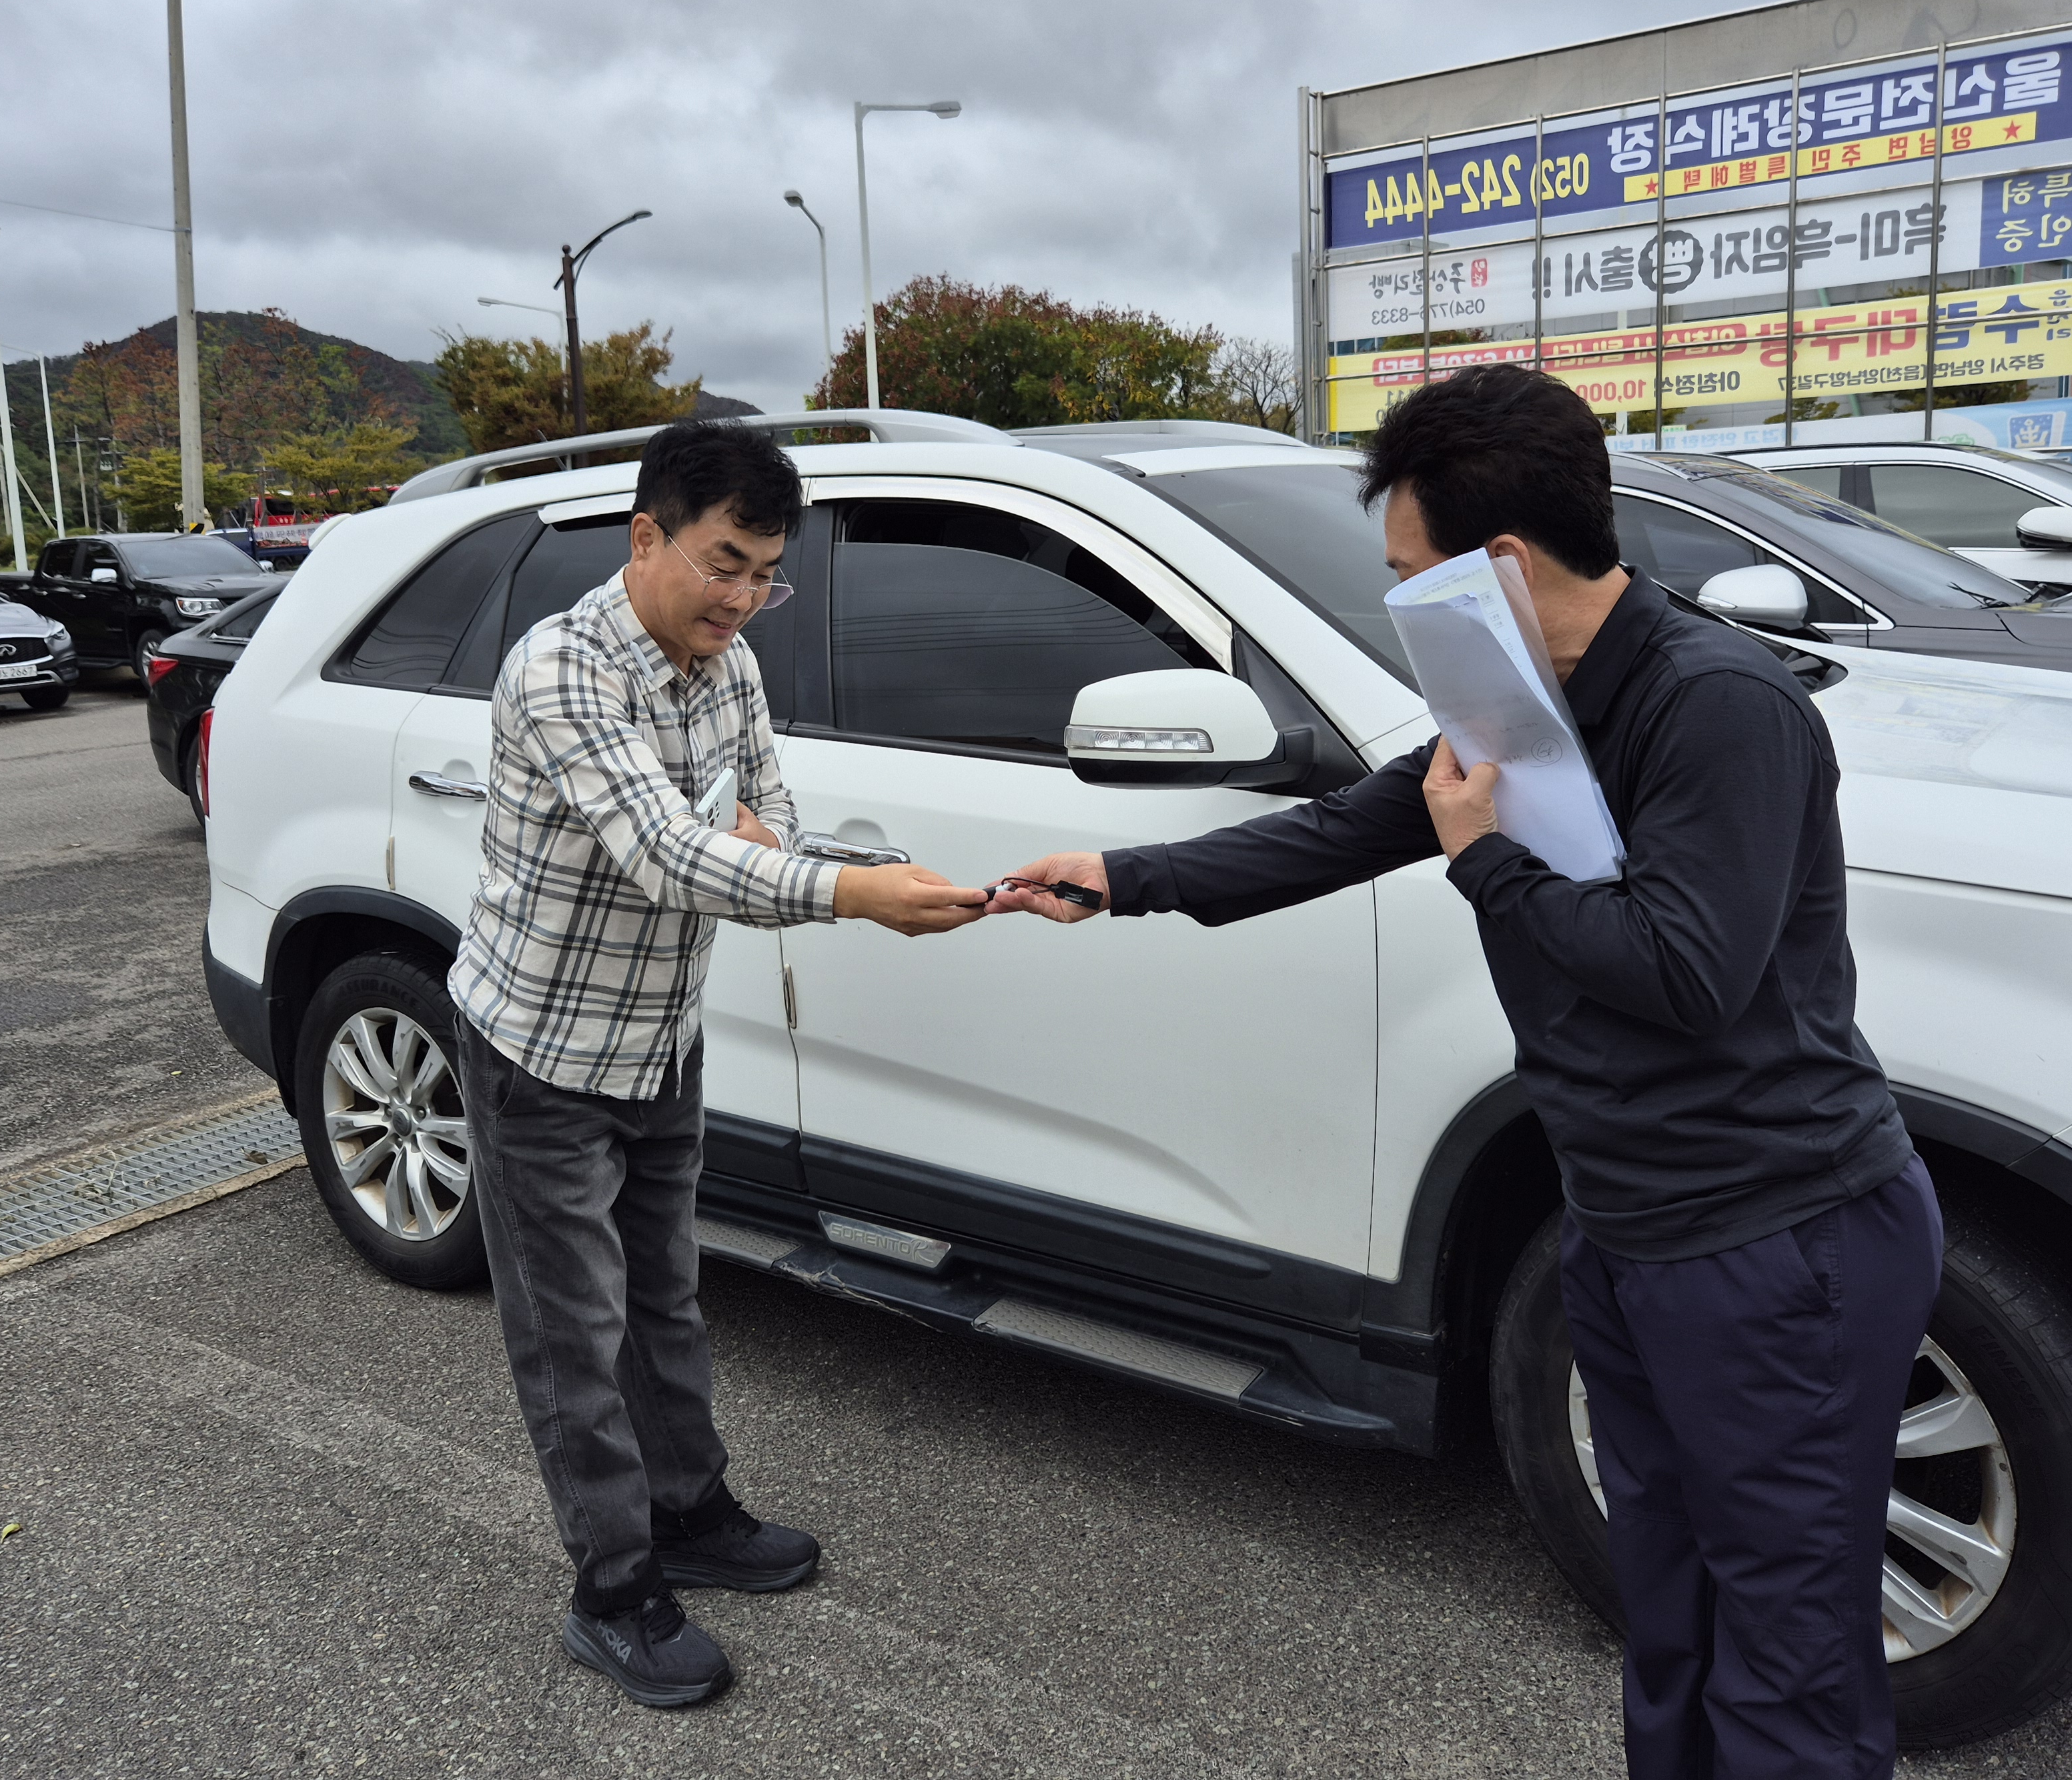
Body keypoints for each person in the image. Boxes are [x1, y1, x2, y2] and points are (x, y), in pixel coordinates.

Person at [990, 365, 1943, 1779]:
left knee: (1787, 1662)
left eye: (1404, 574)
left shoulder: (1719, 707)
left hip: (1774, 1249)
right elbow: (1358, 821)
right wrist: (1129, 876)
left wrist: (1482, 860)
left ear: (1499, 563)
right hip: (1621, 1235)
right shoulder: (1513, 690)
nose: (1394, 602)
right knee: (1665, 1616)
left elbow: (1685, 972)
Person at [448, 418, 988, 1708]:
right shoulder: (564, 670)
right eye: (726, 564)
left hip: (660, 1039)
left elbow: (769, 813)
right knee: (574, 1335)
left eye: (766, 576)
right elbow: (674, 857)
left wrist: (782, 848)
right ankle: (615, 1590)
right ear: (648, 538)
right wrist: (852, 891)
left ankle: (691, 1512)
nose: (745, 601)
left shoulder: (722, 663)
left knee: (668, 1302)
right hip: (541, 1055)